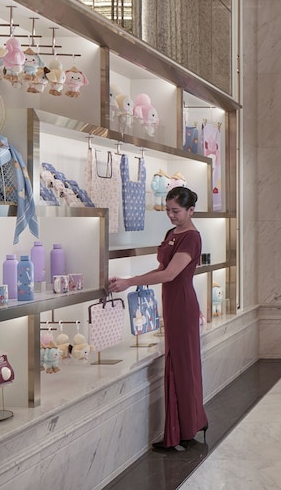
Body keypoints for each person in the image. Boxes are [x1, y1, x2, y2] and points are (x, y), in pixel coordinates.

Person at [109, 186, 208, 451]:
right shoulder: (171, 234)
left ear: (190, 210)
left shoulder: (191, 238)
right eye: (167, 210)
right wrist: (130, 280)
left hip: (183, 304)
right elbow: (162, 268)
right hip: (172, 303)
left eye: (176, 211)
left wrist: (129, 281)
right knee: (176, 363)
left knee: (183, 365)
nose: (171, 215)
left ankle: (187, 428)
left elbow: (170, 275)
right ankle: (186, 426)